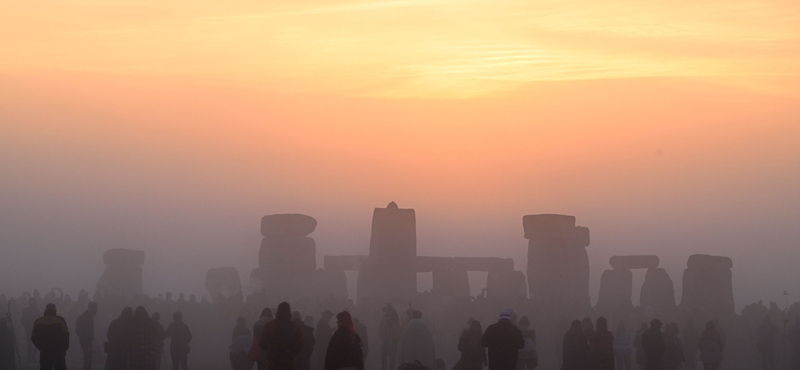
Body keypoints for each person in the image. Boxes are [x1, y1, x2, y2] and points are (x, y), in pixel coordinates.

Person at [260, 302, 304, 370]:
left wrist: (271, 349)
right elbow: (301, 344)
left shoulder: (270, 325)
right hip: (289, 361)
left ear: (278, 311)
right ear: (289, 312)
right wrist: (292, 352)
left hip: (273, 360)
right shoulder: (295, 326)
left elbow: (262, 342)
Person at [31, 303, 70, 370]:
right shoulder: (60, 320)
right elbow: (66, 335)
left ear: (45, 310)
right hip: (58, 352)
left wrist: (41, 347)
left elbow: (33, 337)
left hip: (45, 352)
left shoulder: (38, 321)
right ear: (55, 310)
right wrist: (64, 349)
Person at [75, 302, 97, 370]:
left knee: (87, 356)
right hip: (86, 339)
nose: (96, 309)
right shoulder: (88, 316)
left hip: (84, 338)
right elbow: (88, 329)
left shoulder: (86, 315)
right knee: (88, 356)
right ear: (92, 307)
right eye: (95, 307)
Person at [379, 304, 400, 370]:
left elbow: (397, 330)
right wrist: (382, 337)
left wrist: (396, 339)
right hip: (385, 339)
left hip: (392, 340)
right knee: (384, 358)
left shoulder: (395, 319)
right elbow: (380, 328)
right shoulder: (384, 318)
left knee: (392, 358)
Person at [22, 298, 39, 362]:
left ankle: (32, 355)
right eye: (31, 302)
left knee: (37, 343)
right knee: (30, 343)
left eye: (33, 302)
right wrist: (26, 326)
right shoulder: (26, 310)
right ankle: (29, 357)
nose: (32, 303)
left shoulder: (37, 310)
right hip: (28, 328)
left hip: (36, 329)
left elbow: (39, 319)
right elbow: (22, 320)